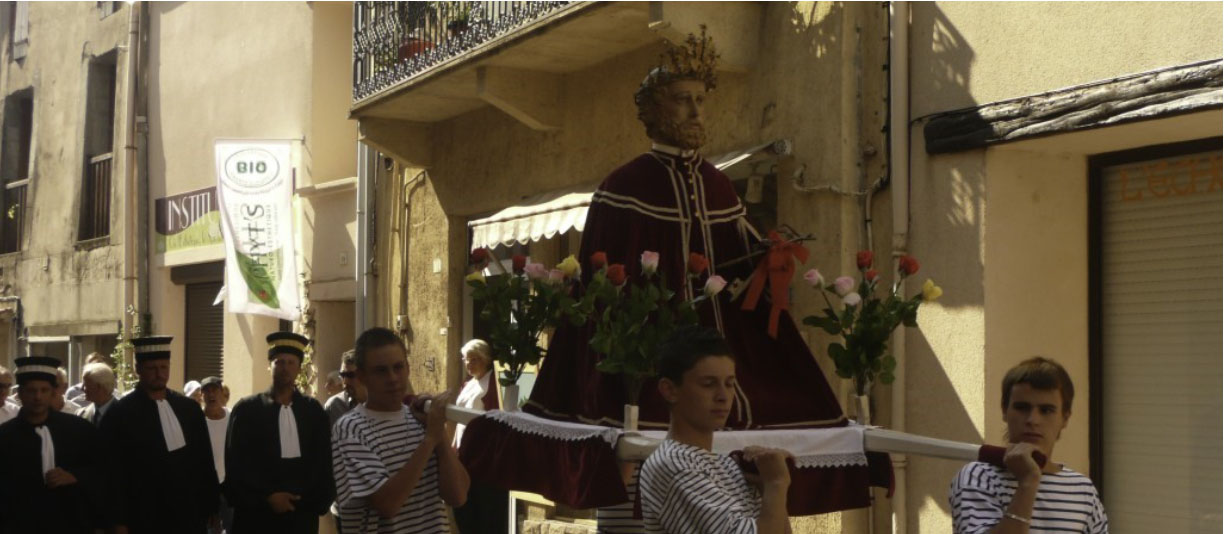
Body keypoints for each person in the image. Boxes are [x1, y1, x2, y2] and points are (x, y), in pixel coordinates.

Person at [525, 29, 846, 431]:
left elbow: (736, 269)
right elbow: (598, 292)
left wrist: (767, 255)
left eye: (700, 101)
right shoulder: (623, 187)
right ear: (657, 112)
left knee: (796, 406)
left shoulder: (717, 184)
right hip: (648, 362)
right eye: (682, 101)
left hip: (724, 357)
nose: (696, 112)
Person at [639, 326, 793, 534]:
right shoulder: (673, 465)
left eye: (729, 384)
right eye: (709, 384)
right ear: (670, 390)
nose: (723, 396)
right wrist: (776, 483)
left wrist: (767, 487)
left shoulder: (725, 465)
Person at [331, 327, 469, 533]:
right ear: (361, 376)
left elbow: (457, 496)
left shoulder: (421, 420)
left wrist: (438, 434)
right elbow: (388, 504)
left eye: (398, 367)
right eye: (381, 371)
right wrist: (429, 440)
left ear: (408, 368)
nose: (393, 378)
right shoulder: (350, 428)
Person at [949, 357, 1108, 534]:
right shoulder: (978, 477)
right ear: (1004, 410)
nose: (1033, 420)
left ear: (1065, 418)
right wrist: (1028, 482)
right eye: (1022, 407)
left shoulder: (1082, 489)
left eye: (1046, 410)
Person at [100, 335, 220, 534]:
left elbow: (204, 460)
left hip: (187, 515)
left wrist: (211, 504)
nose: (159, 374)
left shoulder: (188, 409)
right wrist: (117, 520)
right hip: (143, 516)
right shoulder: (120, 414)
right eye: (152, 368)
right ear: (139, 369)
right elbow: (112, 473)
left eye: (164, 367)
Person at [225, 332, 334, 533]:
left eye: (291, 362)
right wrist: (267, 498)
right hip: (255, 517)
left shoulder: (313, 412)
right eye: (279, 362)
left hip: (301, 516)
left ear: (299, 368)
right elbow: (237, 463)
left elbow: (322, 461)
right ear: (270, 366)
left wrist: (308, 500)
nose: (285, 368)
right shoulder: (247, 410)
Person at [0, 356, 107, 533]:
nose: (38, 397)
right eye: (31, 391)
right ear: (20, 394)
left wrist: (75, 476)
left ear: (54, 392)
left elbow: (103, 472)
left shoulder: (79, 430)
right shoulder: (5, 437)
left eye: (44, 390)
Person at [451, 339, 506, 534]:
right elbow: (459, 419)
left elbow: (496, 419)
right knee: (464, 508)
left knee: (484, 510)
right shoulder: (468, 383)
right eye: (466, 359)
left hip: (482, 456)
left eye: (474, 359)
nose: (469, 364)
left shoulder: (493, 382)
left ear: (485, 359)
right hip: (463, 452)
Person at [201, 376, 233, 534]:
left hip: (229, 486)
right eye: (207, 391)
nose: (211, 395)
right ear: (202, 396)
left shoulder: (233, 418)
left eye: (214, 390)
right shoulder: (196, 421)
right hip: (205, 487)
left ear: (222, 393)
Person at [324, 350, 366, 428]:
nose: (345, 381)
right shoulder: (334, 406)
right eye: (342, 375)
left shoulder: (383, 404)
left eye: (350, 375)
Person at [75, 362, 117, 427]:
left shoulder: (125, 414)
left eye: (86, 385)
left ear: (100, 387)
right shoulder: (81, 414)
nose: (82, 388)